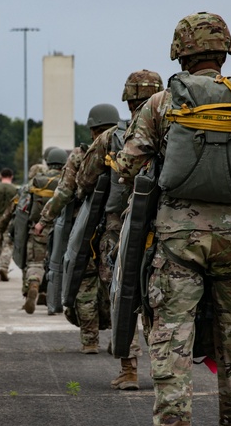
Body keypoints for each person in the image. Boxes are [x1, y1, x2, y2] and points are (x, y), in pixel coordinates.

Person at [113, 13, 231, 426]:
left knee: (172, 331)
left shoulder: (160, 105)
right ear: (225, 50)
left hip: (178, 239)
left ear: (180, 52)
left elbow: (126, 167)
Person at [77, 70, 164, 388]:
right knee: (160, 298)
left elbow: (84, 179)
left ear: (128, 101)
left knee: (122, 294)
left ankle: (129, 370)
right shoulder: (177, 128)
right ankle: (163, 369)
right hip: (165, 226)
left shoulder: (114, 136)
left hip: (121, 228)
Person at [36, 106, 118, 352]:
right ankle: (120, 340)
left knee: (85, 283)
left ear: (92, 129)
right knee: (117, 285)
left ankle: (90, 341)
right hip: (119, 230)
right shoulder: (131, 147)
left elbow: (64, 193)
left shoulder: (80, 156)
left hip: (85, 231)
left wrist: (44, 220)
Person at [21, 147, 67, 313]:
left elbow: (23, 207)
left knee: (36, 263)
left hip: (39, 230)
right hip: (63, 231)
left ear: (48, 162)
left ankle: (34, 282)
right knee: (59, 266)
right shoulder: (67, 180)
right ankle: (54, 299)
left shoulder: (36, 181)